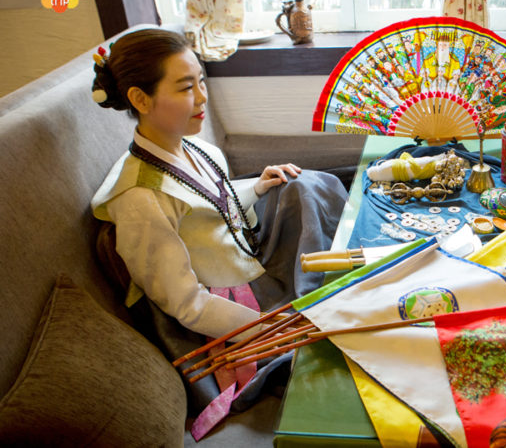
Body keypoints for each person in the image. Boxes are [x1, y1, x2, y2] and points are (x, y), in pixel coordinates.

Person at [90, 28, 348, 414]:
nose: (202, 98)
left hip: (245, 259)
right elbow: (187, 303)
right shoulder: (140, 199)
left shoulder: (193, 145)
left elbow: (212, 208)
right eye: (184, 88)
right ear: (140, 99)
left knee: (304, 185)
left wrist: (257, 187)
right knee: (332, 335)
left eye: (200, 82)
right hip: (227, 304)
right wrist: (269, 329)